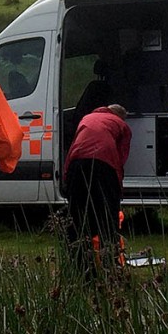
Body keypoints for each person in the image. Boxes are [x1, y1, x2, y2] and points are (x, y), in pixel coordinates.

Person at [62, 104, 132, 277]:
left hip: (77, 166)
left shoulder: (86, 118)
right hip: (103, 166)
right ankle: (110, 268)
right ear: (120, 116)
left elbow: (73, 150)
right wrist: (117, 189)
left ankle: (80, 269)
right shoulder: (122, 125)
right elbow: (120, 157)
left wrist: (67, 179)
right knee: (107, 217)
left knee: (77, 217)